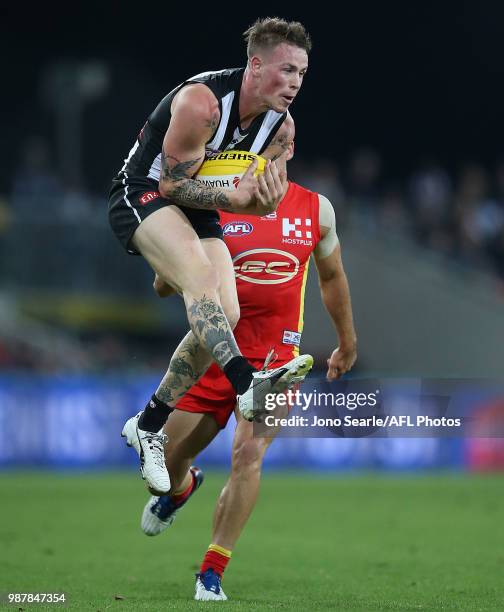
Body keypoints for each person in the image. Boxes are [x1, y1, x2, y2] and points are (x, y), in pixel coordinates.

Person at [141, 142, 358, 601]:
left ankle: (212, 571)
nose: (270, 148)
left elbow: (332, 277)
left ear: (291, 147)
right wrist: (176, 268)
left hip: (277, 363)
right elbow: (164, 285)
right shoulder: (211, 201)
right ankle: (181, 489)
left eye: (281, 139)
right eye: (264, 139)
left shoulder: (317, 210)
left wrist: (346, 341)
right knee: (167, 463)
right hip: (214, 355)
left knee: (248, 456)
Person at [108, 18, 314, 494]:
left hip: (196, 209)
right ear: (256, 65)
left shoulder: (280, 126)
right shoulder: (201, 103)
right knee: (202, 279)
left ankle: (149, 422)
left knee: (229, 310)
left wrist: (263, 201)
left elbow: (259, 191)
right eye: (287, 70)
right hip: (141, 193)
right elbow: (170, 184)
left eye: (302, 73)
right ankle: (247, 384)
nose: (296, 83)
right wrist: (240, 202)